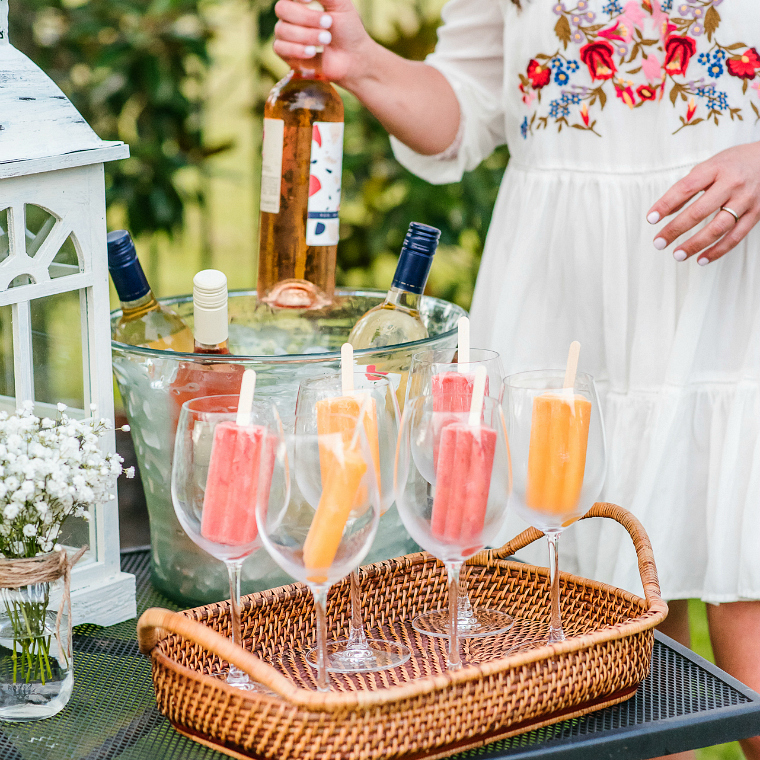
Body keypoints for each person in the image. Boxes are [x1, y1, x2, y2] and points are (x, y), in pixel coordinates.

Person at [272, 1, 760, 757]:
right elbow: (464, 108)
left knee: (748, 597)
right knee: (610, 649)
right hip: (566, 295)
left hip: (737, 291)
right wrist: (362, 62)